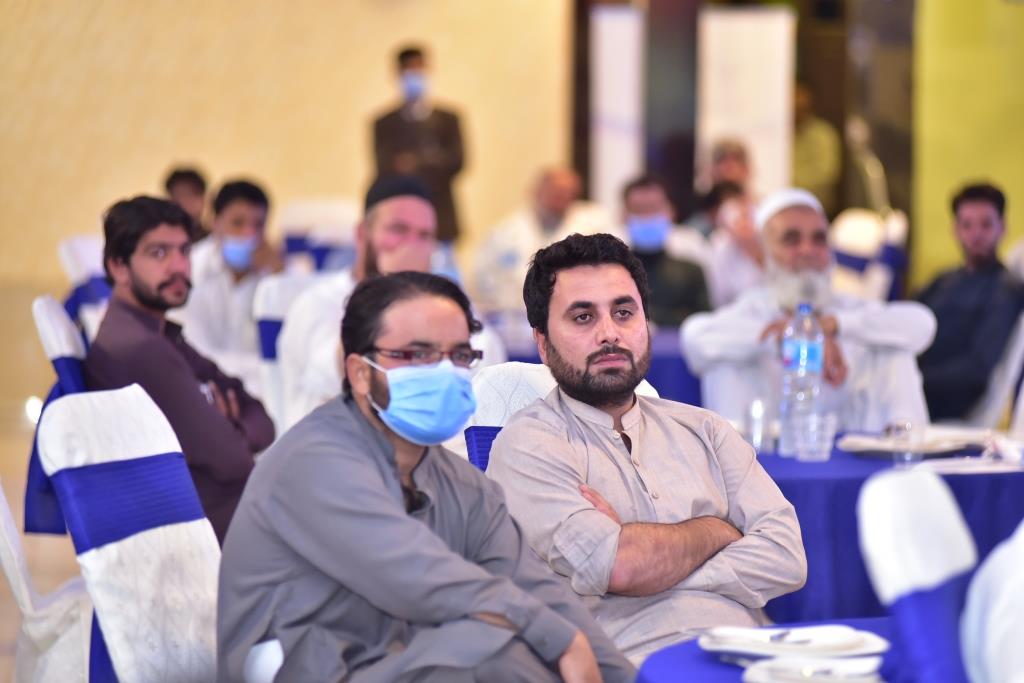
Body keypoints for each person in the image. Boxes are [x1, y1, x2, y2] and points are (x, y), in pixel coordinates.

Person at [218, 271, 635, 683]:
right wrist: (560, 639)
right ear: (360, 373)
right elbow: (419, 577)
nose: (444, 372)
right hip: (303, 662)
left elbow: (538, 590)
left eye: (459, 356)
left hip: (401, 652)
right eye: (418, 355)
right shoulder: (313, 462)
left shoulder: (460, 483)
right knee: (496, 653)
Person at [486, 233, 806, 664]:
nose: (609, 334)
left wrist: (653, 570)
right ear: (543, 343)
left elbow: (787, 557)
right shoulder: (529, 446)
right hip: (632, 662)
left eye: (624, 312)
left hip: (753, 654)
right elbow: (620, 566)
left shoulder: (706, 430)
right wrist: (719, 530)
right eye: (583, 317)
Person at [84, 196, 274, 543]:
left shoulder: (155, 332)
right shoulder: (141, 348)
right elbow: (234, 461)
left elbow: (259, 413)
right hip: (207, 536)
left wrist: (230, 429)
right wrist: (232, 429)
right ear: (118, 266)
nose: (178, 267)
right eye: (158, 253)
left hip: (221, 519)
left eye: (184, 251)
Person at [683, 188, 936, 431]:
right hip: (766, 446)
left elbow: (923, 324)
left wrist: (833, 326)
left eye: (819, 239)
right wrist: (787, 335)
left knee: (895, 347)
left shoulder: (847, 308)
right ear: (765, 251)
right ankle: (733, 456)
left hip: (854, 443)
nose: (808, 250)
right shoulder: (753, 309)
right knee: (725, 359)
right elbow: (695, 338)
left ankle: (905, 448)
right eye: (791, 239)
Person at [277, 175, 505, 429]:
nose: (411, 245)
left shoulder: (445, 305)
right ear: (362, 234)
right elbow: (330, 378)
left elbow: (487, 363)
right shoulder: (318, 303)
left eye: (424, 235)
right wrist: (393, 290)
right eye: (398, 230)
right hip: (334, 440)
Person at [916, 183, 1023, 420]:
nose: (976, 235)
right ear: (955, 229)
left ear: (1002, 227)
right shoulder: (943, 280)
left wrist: (915, 377)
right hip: (914, 387)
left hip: (944, 402)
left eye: (986, 224)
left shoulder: (1005, 290)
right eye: (967, 225)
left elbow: (977, 368)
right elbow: (906, 317)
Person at [173, 179, 282, 395]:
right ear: (215, 223)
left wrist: (278, 281)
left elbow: (286, 355)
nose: (249, 234)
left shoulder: (275, 275)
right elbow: (197, 355)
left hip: (265, 391)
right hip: (204, 389)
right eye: (238, 223)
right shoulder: (190, 270)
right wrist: (262, 369)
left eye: (258, 225)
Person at [474, 167, 616, 320]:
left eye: (567, 192)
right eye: (555, 190)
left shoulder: (594, 225)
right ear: (536, 191)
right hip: (515, 319)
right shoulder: (505, 233)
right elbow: (483, 278)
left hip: (577, 314)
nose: (560, 196)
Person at [373, 45, 464, 244]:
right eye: (408, 70)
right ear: (398, 74)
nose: (414, 75)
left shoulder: (448, 119)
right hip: (401, 222)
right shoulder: (384, 123)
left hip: (442, 220)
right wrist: (431, 160)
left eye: (418, 69)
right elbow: (384, 167)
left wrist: (415, 162)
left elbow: (457, 161)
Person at [620, 174, 710, 326]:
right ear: (624, 214)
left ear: (671, 211)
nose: (647, 216)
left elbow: (704, 320)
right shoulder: (613, 268)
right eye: (638, 209)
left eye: (653, 208)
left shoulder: (691, 266)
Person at [707, 192, 765, 308]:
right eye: (738, 220)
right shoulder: (721, 249)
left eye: (748, 218)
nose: (745, 225)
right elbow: (718, 298)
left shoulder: (771, 245)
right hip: (737, 311)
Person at [791, 81, 841, 216]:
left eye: (801, 105)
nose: (797, 109)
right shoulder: (776, 137)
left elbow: (826, 174)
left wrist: (790, 185)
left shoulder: (824, 135)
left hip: (814, 209)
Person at [164, 166, 209, 237]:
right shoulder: (160, 238)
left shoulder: (215, 239)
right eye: (182, 195)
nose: (188, 201)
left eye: (194, 194)